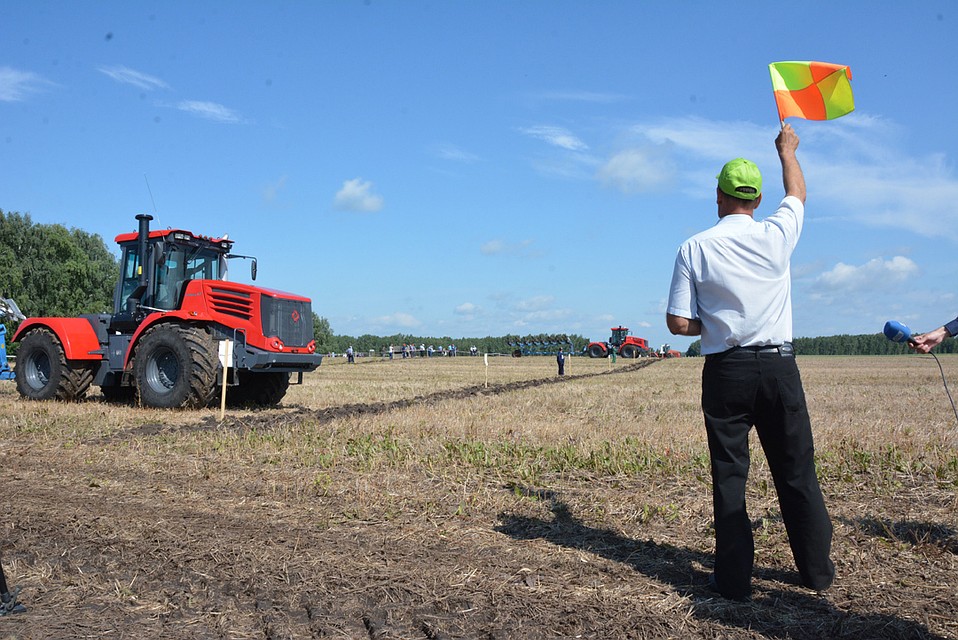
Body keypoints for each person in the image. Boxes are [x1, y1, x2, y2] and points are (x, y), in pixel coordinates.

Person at [666, 124, 834, 601]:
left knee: (730, 476)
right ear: (757, 199)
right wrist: (787, 152)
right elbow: (797, 192)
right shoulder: (778, 234)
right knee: (797, 471)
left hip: (726, 373)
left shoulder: (694, 248)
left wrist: (714, 326)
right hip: (780, 369)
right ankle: (817, 573)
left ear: (718, 197)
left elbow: (678, 323)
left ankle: (734, 581)